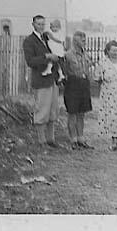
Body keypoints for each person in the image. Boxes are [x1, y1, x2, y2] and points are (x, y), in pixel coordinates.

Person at [22, 15, 62, 148]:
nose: (41, 26)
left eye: (43, 24)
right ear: (33, 24)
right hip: (41, 79)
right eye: (38, 24)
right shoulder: (29, 41)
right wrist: (46, 57)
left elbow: (57, 47)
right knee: (42, 109)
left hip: (52, 78)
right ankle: (41, 140)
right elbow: (30, 61)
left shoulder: (46, 38)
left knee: (53, 109)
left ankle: (51, 139)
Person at [94, 40, 117, 152]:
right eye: (113, 50)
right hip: (109, 93)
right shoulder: (103, 62)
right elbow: (97, 78)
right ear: (108, 51)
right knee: (112, 117)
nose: (115, 53)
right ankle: (114, 142)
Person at [62, 31, 94, 150]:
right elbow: (64, 72)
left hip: (84, 84)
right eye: (82, 40)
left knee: (82, 113)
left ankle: (81, 139)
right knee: (72, 113)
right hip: (72, 84)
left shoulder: (86, 54)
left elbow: (89, 67)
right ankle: (73, 140)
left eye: (85, 40)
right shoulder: (67, 55)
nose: (84, 42)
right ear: (75, 41)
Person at [42, 19, 66, 84]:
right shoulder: (50, 32)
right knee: (53, 61)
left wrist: (52, 37)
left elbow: (60, 41)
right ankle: (59, 74)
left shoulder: (60, 33)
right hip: (52, 49)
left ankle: (58, 73)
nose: (52, 28)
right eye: (51, 27)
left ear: (58, 27)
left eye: (54, 27)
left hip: (58, 50)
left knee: (57, 62)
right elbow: (45, 37)